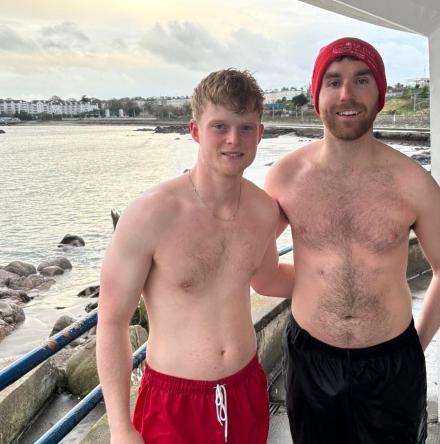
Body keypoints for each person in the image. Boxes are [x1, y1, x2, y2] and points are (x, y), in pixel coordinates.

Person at [257, 37, 440, 444]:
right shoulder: (285, 178)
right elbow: (258, 272)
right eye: (333, 82)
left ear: (380, 94)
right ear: (317, 96)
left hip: (392, 361)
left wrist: (414, 347)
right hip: (311, 361)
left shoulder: (413, 182)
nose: (346, 94)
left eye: (361, 80)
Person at [96, 68, 294, 444]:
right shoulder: (150, 214)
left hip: (246, 390)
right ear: (195, 131)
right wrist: (120, 428)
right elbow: (111, 321)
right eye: (220, 127)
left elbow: (267, 278)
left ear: (260, 134)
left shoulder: (263, 209)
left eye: (246, 128)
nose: (234, 139)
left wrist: (333, 278)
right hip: (173, 403)